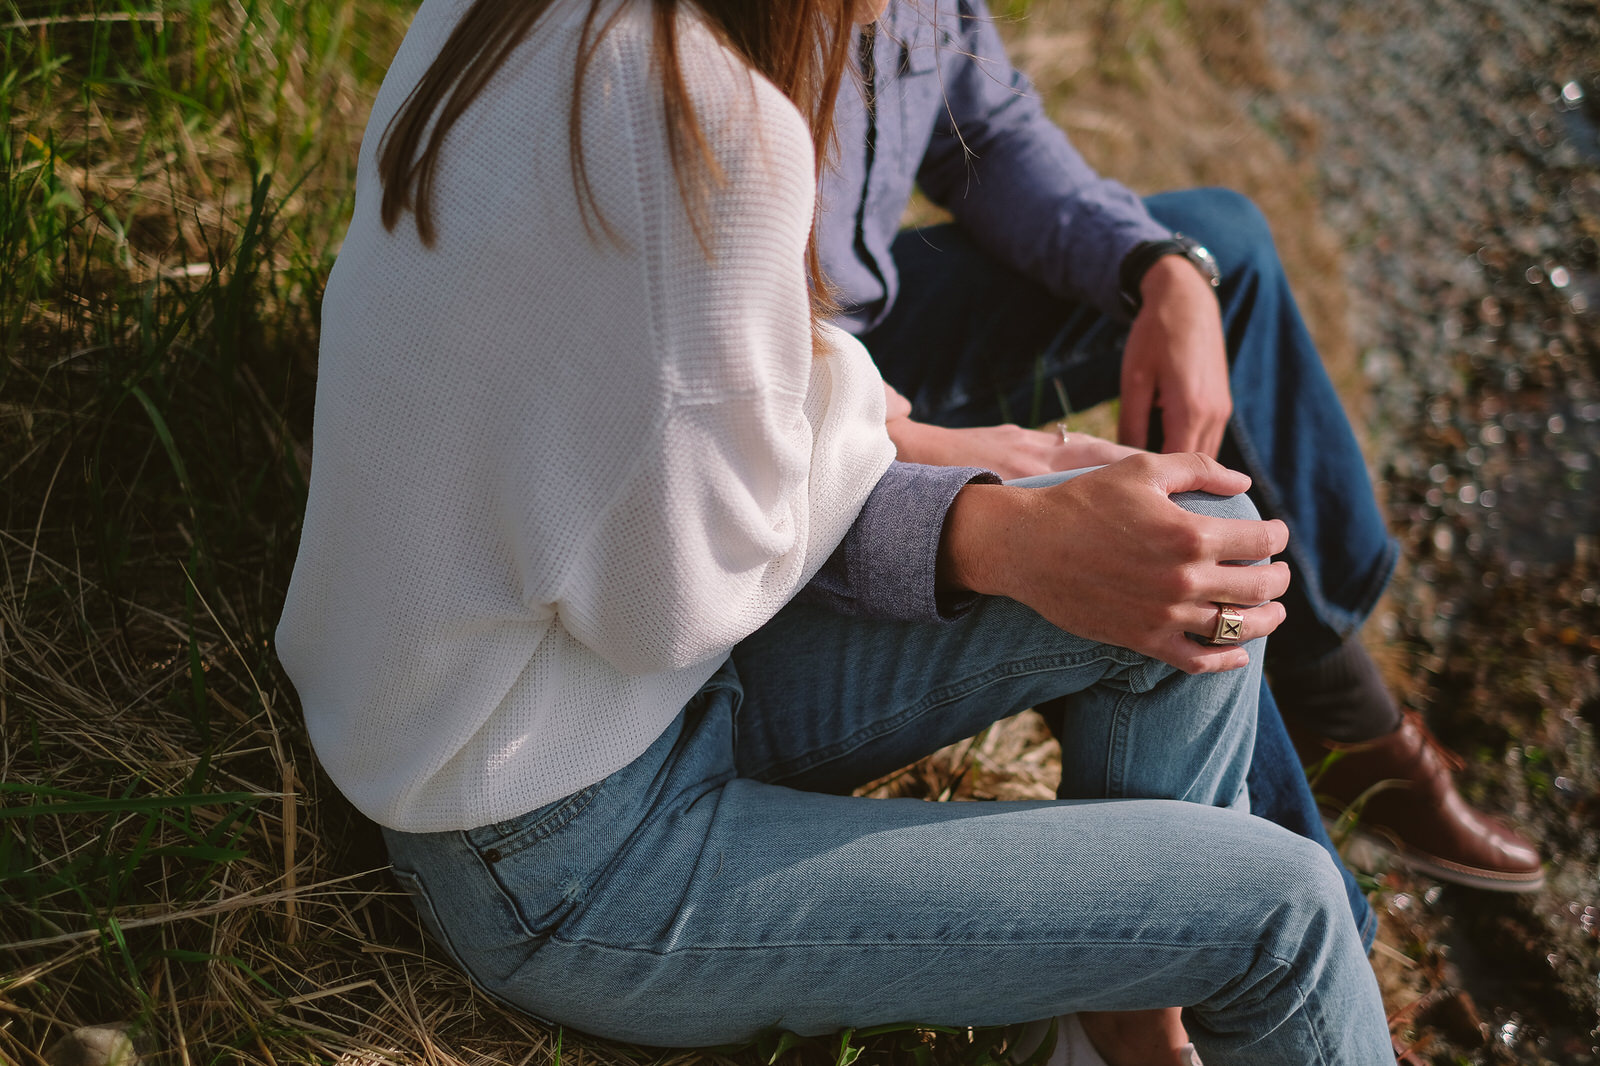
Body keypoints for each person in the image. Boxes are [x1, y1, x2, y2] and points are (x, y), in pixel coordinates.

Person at [274, 0, 1396, 1061]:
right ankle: (1158, 989)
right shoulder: (710, 123)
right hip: (551, 841)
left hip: (587, 704)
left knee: (1204, 532)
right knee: (1283, 920)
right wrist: (990, 534)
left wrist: (949, 451)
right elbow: (669, 602)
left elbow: (703, 381)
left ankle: (1116, 1014)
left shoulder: (554, 28)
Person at [817, 0, 1542, 893]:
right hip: (782, 381)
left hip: (874, 316)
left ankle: (1344, 718)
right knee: (1169, 535)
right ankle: (1296, 907)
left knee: (1219, 249)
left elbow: (992, 133)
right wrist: (915, 440)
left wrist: (1158, 266)